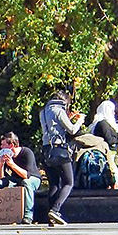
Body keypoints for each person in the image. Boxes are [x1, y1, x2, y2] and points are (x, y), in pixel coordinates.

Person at [39, 87, 84, 225]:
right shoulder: (59, 110)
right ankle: (55, 210)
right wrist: (80, 120)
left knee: (53, 183)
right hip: (59, 150)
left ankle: (51, 218)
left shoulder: (44, 111)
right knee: (68, 182)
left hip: (46, 150)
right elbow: (72, 129)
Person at [0, 132, 41, 225]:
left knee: (26, 182)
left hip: (33, 178)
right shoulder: (5, 156)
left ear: (11, 145)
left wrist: (12, 164)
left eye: (3, 145)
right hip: (16, 179)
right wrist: (1, 165)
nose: (1, 147)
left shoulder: (26, 152)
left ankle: (28, 215)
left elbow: (26, 175)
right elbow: (0, 177)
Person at [89, 99, 118, 186]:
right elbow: (109, 139)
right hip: (106, 154)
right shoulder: (102, 124)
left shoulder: (107, 123)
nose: (114, 113)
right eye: (112, 111)